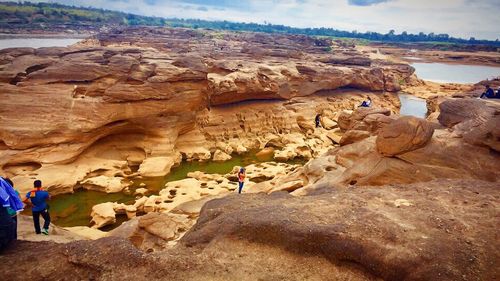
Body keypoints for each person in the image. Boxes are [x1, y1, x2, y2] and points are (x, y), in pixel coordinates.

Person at [0, 177, 23, 250]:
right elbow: (19, 200)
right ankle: (13, 241)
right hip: (12, 214)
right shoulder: (14, 192)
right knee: (13, 228)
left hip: (7, 214)